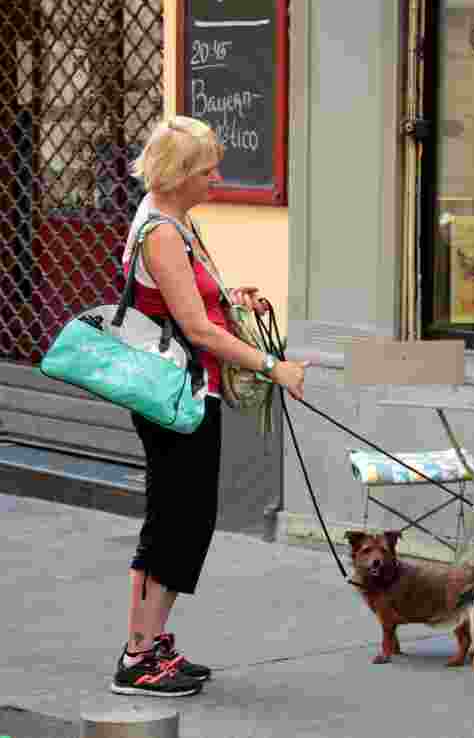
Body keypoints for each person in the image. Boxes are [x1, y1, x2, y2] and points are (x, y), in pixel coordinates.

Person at [111, 116, 308, 697]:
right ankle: (137, 658)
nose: (216, 177)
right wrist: (274, 366)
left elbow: (193, 304)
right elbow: (197, 331)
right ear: (177, 174)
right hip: (178, 393)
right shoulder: (163, 232)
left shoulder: (174, 219)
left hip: (190, 390)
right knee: (175, 521)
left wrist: (232, 295)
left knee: (182, 519)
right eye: (206, 168)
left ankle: (149, 643)